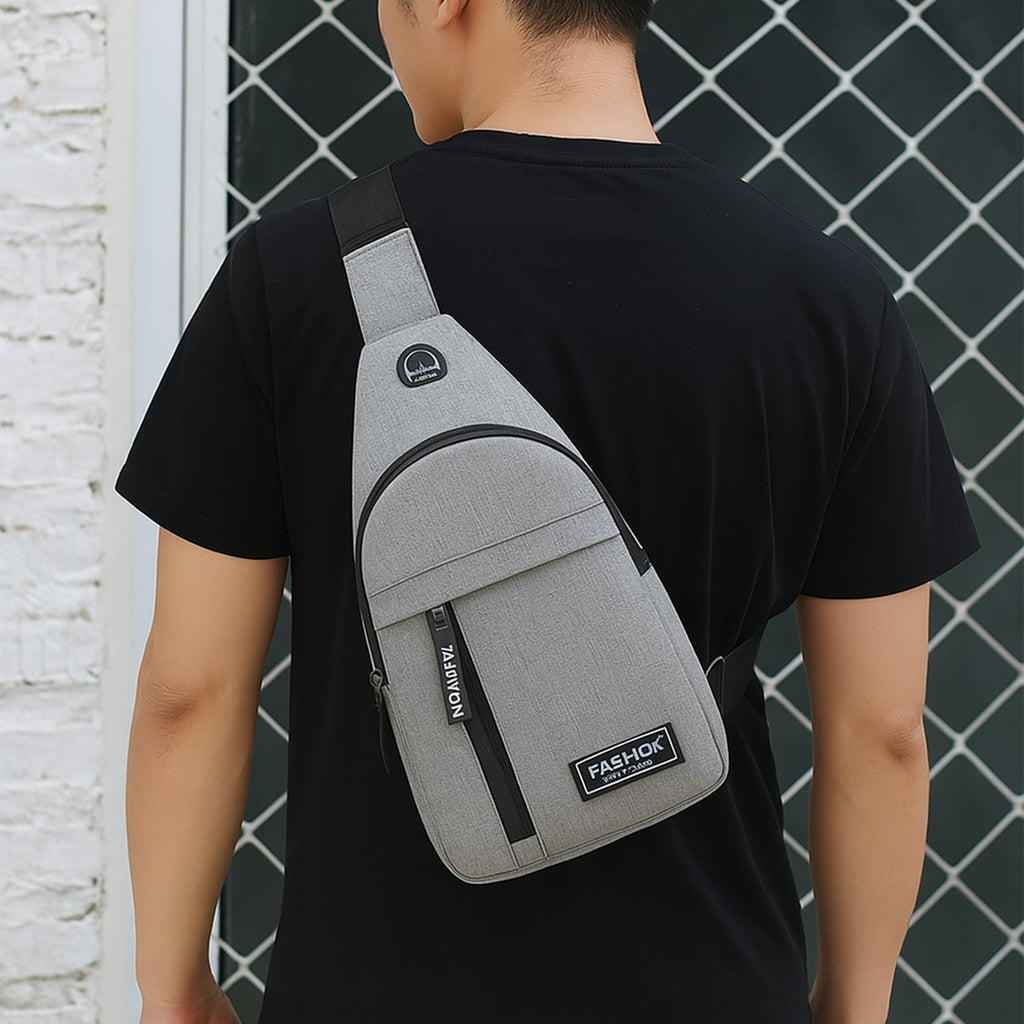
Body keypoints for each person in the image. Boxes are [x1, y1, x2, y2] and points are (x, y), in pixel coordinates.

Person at [116, 1, 981, 1022]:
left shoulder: (291, 278)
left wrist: (173, 986)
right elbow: (881, 729)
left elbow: (190, 691)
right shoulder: (829, 300)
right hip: (709, 980)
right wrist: (855, 1001)